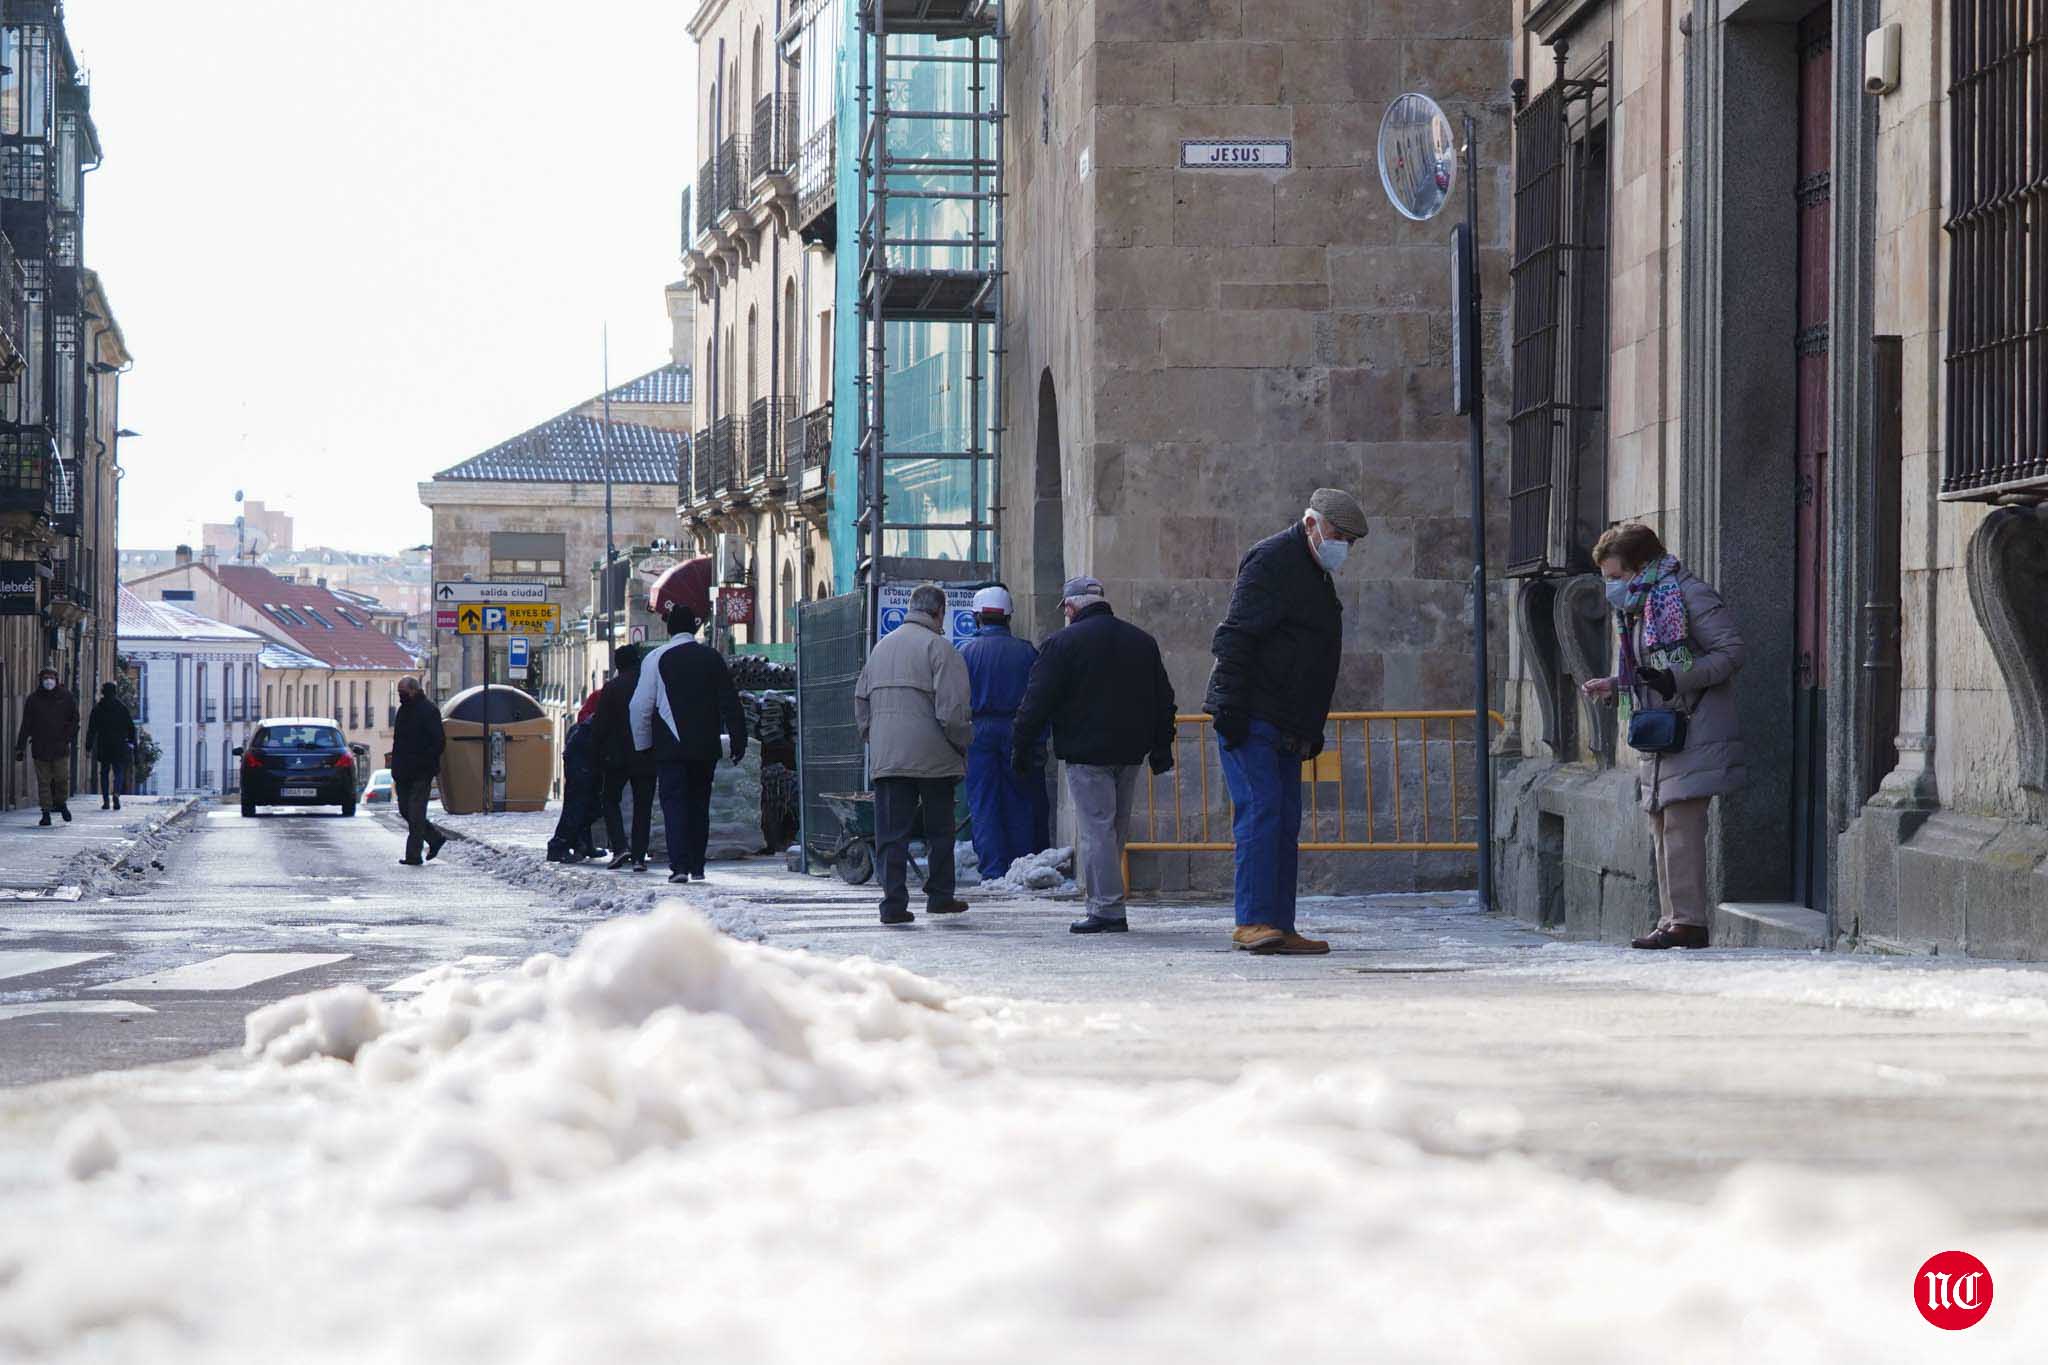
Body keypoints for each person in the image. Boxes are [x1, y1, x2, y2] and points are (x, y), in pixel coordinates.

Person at [1204, 488, 1369, 955]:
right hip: (1252, 712)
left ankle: (1278, 922)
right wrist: (1231, 709)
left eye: (1350, 542)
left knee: (1283, 820)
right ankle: (1253, 920)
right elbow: (1235, 636)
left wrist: (1309, 729)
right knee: (1262, 811)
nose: (1344, 547)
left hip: (1285, 722)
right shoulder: (1273, 560)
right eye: (1339, 535)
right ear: (1312, 523)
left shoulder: (1316, 574)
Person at [1580, 522, 1747, 950]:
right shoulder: (1639, 603)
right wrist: (1617, 683)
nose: (1612, 587)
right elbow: (1646, 666)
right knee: (1660, 821)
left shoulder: (1687, 594)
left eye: (1616, 577)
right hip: (1660, 727)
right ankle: (1672, 918)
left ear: (1641, 566)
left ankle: (1688, 922)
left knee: (1680, 822)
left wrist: (1677, 679)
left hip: (1695, 722)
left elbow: (1730, 653)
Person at [1011, 576, 1177, 934]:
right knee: (1113, 830)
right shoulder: (1141, 641)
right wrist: (1162, 747)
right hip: (1131, 751)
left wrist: (1023, 746)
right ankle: (1105, 901)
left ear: (1070, 608)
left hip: (1087, 753)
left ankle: (1107, 908)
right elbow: (1164, 699)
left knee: (1097, 831)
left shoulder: (1062, 643)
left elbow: (1036, 701)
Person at [854, 583, 972, 925]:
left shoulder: (881, 648)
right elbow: (953, 712)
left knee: (891, 834)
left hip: (889, 758)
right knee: (939, 832)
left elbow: (861, 699)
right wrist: (962, 742)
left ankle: (892, 904)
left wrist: (873, 737)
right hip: (935, 758)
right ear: (939, 612)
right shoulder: (941, 649)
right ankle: (940, 897)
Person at [630, 605, 746, 885]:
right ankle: (697, 865)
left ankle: (679, 865)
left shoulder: (656, 658)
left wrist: (643, 745)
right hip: (705, 746)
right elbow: (729, 701)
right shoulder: (711, 657)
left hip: (670, 747)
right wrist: (738, 740)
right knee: (698, 804)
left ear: (669, 629)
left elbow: (640, 707)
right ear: (694, 629)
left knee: (674, 805)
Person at [956, 585, 1050, 880]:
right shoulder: (1026, 652)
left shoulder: (965, 652)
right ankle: (1021, 866)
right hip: (1017, 729)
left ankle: (993, 869)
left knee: (984, 802)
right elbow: (1040, 697)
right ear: (1008, 617)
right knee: (1021, 799)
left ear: (977, 617)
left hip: (978, 731)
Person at [590, 643, 655, 871]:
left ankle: (620, 847)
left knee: (610, 800)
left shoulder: (612, 688)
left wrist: (596, 754)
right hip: (645, 754)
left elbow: (600, 726)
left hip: (616, 757)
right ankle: (639, 856)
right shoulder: (649, 686)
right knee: (643, 806)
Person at [390, 675, 449, 866]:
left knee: (415, 813)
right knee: (406, 810)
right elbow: (398, 742)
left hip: (421, 771)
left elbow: (438, 741)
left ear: (413, 690)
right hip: (403, 771)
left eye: (402, 692)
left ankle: (413, 855)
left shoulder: (429, 711)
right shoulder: (403, 711)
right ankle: (435, 838)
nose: (400, 696)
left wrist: (425, 762)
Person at [13, 666, 78, 826]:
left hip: (60, 747)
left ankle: (61, 803)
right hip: (40, 747)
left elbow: (75, 720)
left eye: (51, 678)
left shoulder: (66, 697)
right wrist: (20, 747)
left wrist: (67, 738)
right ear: (41, 680)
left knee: (62, 779)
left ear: (56, 679)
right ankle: (46, 812)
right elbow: (26, 724)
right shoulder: (33, 700)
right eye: (45, 678)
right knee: (44, 782)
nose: (48, 681)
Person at [546, 693, 606, 863]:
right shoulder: (606, 695)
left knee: (592, 804)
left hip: (588, 753)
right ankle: (558, 846)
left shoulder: (609, 693)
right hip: (583, 754)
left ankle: (584, 843)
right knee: (577, 804)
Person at [83, 681, 136, 811]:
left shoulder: (98, 708)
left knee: (104, 772)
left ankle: (106, 800)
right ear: (115, 692)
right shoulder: (122, 708)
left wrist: (88, 746)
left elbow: (91, 729)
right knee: (119, 771)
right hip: (119, 745)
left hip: (103, 744)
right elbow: (131, 727)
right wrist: (132, 742)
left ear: (103, 692)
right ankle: (116, 794)